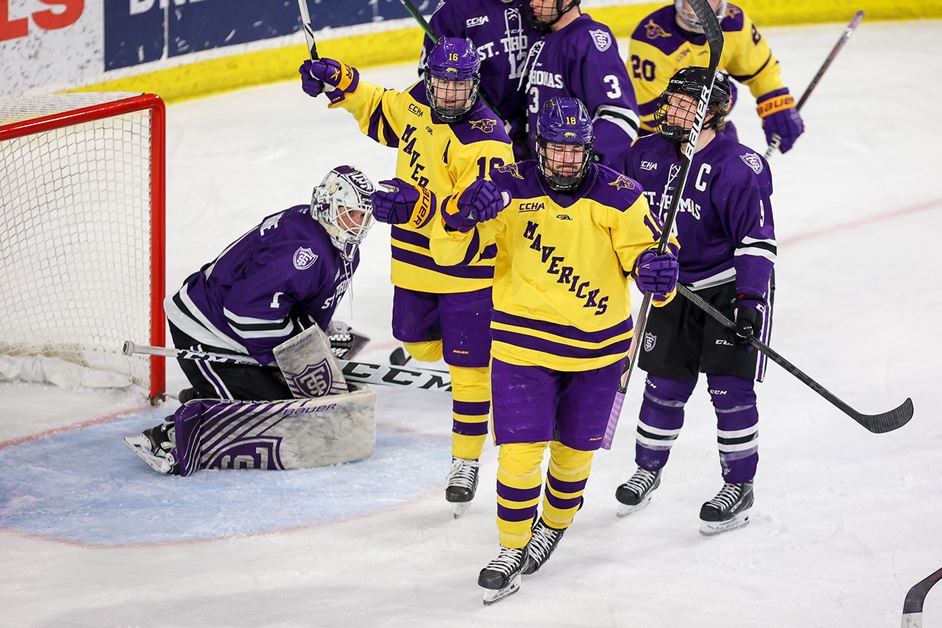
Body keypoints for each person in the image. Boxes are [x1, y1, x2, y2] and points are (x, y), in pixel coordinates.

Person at [427, 97, 679, 604]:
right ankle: (510, 548)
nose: (566, 160)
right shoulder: (507, 187)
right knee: (519, 455)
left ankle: (555, 524)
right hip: (522, 348)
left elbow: (651, 260)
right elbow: (447, 251)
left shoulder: (622, 196)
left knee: (573, 456)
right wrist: (459, 215)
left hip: (598, 354)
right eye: (557, 149)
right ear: (539, 146)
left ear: (589, 149)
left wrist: (658, 273)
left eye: (576, 150)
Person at [299, 37, 515, 516]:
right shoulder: (419, 100)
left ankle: (465, 461)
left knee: (468, 373)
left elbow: (474, 221)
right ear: (429, 78)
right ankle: (491, 353)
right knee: (414, 342)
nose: (450, 93)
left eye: (460, 84)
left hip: (467, 271)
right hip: (414, 263)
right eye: (442, 82)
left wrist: (418, 209)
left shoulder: (487, 139)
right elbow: (382, 108)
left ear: (474, 84)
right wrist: (341, 81)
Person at [126, 165, 377, 474]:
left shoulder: (340, 249)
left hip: (241, 330)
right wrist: (292, 353)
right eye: (351, 214)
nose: (358, 225)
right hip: (207, 328)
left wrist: (315, 334)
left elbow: (294, 301)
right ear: (327, 205)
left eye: (364, 216)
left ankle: (209, 395)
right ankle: (169, 438)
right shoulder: (305, 250)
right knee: (275, 418)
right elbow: (244, 313)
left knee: (299, 403)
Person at [614, 67, 776, 535]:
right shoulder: (644, 154)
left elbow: (757, 241)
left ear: (715, 113)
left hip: (728, 289)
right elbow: (622, 220)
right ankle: (647, 469)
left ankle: (739, 485)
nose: (673, 109)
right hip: (671, 286)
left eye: (687, 104)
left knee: (729, 391)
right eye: (674, 100)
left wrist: (749, 301)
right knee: (663, 385)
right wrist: (639, 264)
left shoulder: (739, 166)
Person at [627, 0, 804, 152]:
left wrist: (775, 103)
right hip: (651, 138)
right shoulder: (651, 40)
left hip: (703, 127)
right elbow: (651, 113)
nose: (701, 4)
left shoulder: (735, 23)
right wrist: (713, 104)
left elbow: (760, 71)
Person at [519, 0, 640, 167]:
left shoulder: (588, 40)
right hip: (545, 169)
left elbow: (621, 117)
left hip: (574, 173)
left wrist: (577, 160)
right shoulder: (542, 37)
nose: (533, 3)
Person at [419, 0, 539, 159]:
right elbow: (431, 80)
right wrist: (479, 119)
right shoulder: (454, 9)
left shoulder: (540, 5)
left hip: (539, 139)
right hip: (478, 141)